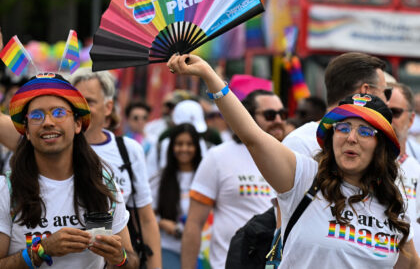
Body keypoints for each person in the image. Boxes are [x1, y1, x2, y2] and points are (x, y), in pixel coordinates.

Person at [168, 54, 419, 267]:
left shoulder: (394, 204)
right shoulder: (304, 177)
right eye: (343, 128)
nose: (351, 138)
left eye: (365, 131)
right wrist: (211, 77)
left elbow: (409, 263)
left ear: (381, 147)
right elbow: (252, 136)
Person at [0, 73, 139, 268]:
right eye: (37, 116)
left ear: (77, 124)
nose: (48, 122)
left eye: (58, 113)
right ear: (28, 132)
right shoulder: (7, 190)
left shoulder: (102, 184)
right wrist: (42, 250)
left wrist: (119, 258)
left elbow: (131, 262)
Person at [181, 89, 286, 269]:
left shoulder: (291, 156)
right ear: (246, 116)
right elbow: (194, 224)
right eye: (270, 115)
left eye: (282, 114)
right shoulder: (218, 157)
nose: (278, 120)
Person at [68, 68, 162, 269]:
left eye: (89, 102)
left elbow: (146, 219)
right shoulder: (58, 149)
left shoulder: (129, 150)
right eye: (75, 102)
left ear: (108, 107)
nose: (81, 109)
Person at [282, 52, 392, 158]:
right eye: (386, 93)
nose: (387, 102)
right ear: (365, 92)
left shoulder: (299, 141)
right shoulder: (300, 145)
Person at [150, 123, 202, 269]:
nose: (184, 149)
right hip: (168, 248)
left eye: (189, 144)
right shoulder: (160, 178)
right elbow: (147, 214)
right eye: (179, 144)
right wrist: (162, 223)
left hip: (202, 251)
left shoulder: (205, 176)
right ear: (172, 147)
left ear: (197, 147)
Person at [387, 82, 420, 252]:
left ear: (411, 119)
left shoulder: (418, 171)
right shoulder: (354, 169)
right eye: (381, 112)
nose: (386, 119)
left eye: (395, 112)